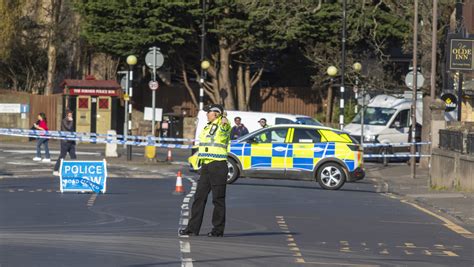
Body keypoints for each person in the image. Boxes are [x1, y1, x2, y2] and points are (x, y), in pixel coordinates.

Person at [180, 104, 231, 237]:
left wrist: (224, 119)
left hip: (218, 166)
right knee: (199, 197)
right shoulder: (207, 127)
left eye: (209, 112)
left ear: (216, 114)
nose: (206, 114)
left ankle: (217, 230)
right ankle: (192, 229)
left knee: (218, 199)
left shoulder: (223, 124)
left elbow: (225, 131)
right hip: (207, 166)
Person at [53, 110, 77, 176]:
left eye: (71, 115)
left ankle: (74, 170)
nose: (71, 116)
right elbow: (68, 128)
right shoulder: (64, 121)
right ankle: (55, 170)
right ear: (67, 115)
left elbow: (72, 130)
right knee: (62, 155)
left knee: (73, 156)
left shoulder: (70, 121)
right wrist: (71, 121)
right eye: (69, 115)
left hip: (71, 141)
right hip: (65, 142)